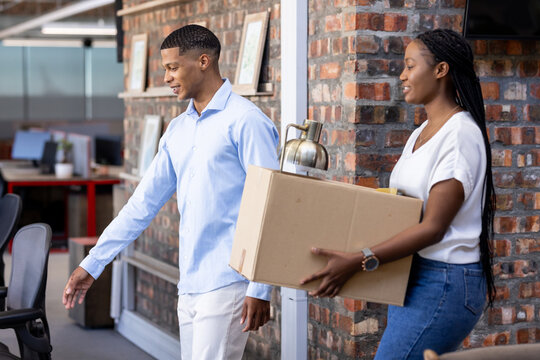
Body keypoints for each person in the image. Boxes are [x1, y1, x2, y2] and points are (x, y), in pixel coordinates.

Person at [63, 25, 279, 360]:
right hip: (190, 283)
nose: (167, 77)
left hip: (229, 280)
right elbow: (142, 205)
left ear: (203, 61)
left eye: (173, 67)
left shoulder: (246, 121)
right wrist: (93, 264)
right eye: (165, 69)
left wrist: (260, 287)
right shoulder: (178, 130)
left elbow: (270, 205)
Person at [300, 28, 495, 359]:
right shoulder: (421, 132)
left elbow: (434, 226)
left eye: (409, 65)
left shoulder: (459, 134)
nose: (402, 76)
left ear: (441, 70)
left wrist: (358, 259)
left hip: (444, 281)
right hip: (418, 274)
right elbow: (403, 206)